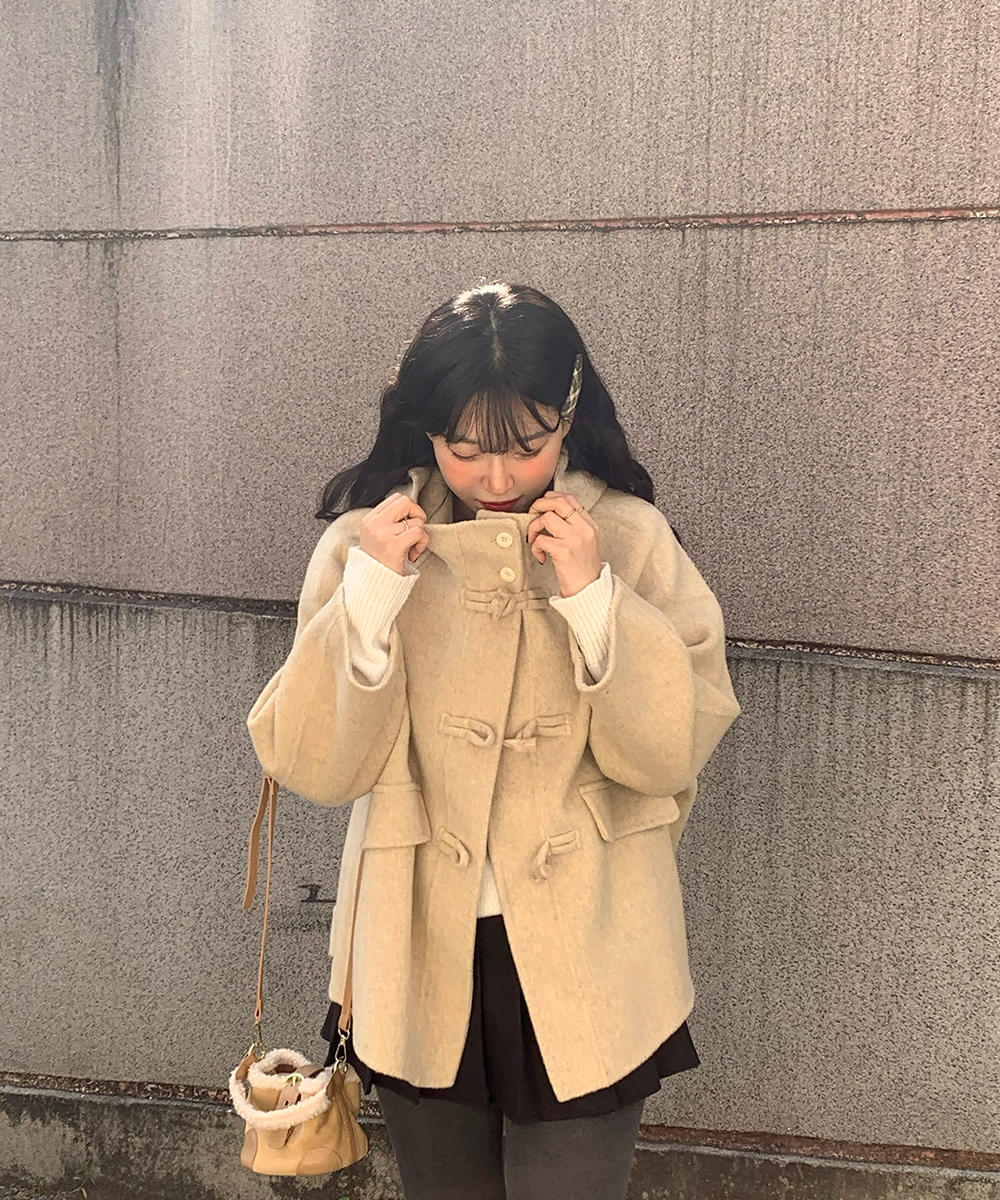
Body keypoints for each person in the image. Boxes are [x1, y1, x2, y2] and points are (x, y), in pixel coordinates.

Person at [246, 281, 742, 1199]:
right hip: (414, 945)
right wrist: (369, 600)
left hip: (590, 940)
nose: (500, 478)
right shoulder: (368, 546)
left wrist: (594, 597)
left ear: (570, 415)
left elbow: (672, 751)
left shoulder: (628, 540)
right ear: (425, 428)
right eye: (466, 449)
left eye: (527, 445)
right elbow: (314, 763)